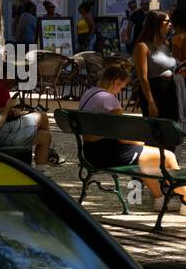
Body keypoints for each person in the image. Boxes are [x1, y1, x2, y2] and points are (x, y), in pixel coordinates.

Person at [78, 62, 186, 211]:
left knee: (146, 159)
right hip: (111, 155)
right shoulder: (110, 100)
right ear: (116, 82)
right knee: (168, 156)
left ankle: (160, 199)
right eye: (121, 87)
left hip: (90, 152)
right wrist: (141, 142)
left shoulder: (88, 94)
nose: (120, 90)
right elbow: (122, 137)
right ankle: (185, 198)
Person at [132, 8, 176, 120]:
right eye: (167, 21)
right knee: (157, 133)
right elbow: (142, 77)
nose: (170, 24)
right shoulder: (142, 46)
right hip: (155, 93)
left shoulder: (165, 44)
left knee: (172, 131)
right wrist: (150, 102)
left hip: (170, 93)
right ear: (157, 24)